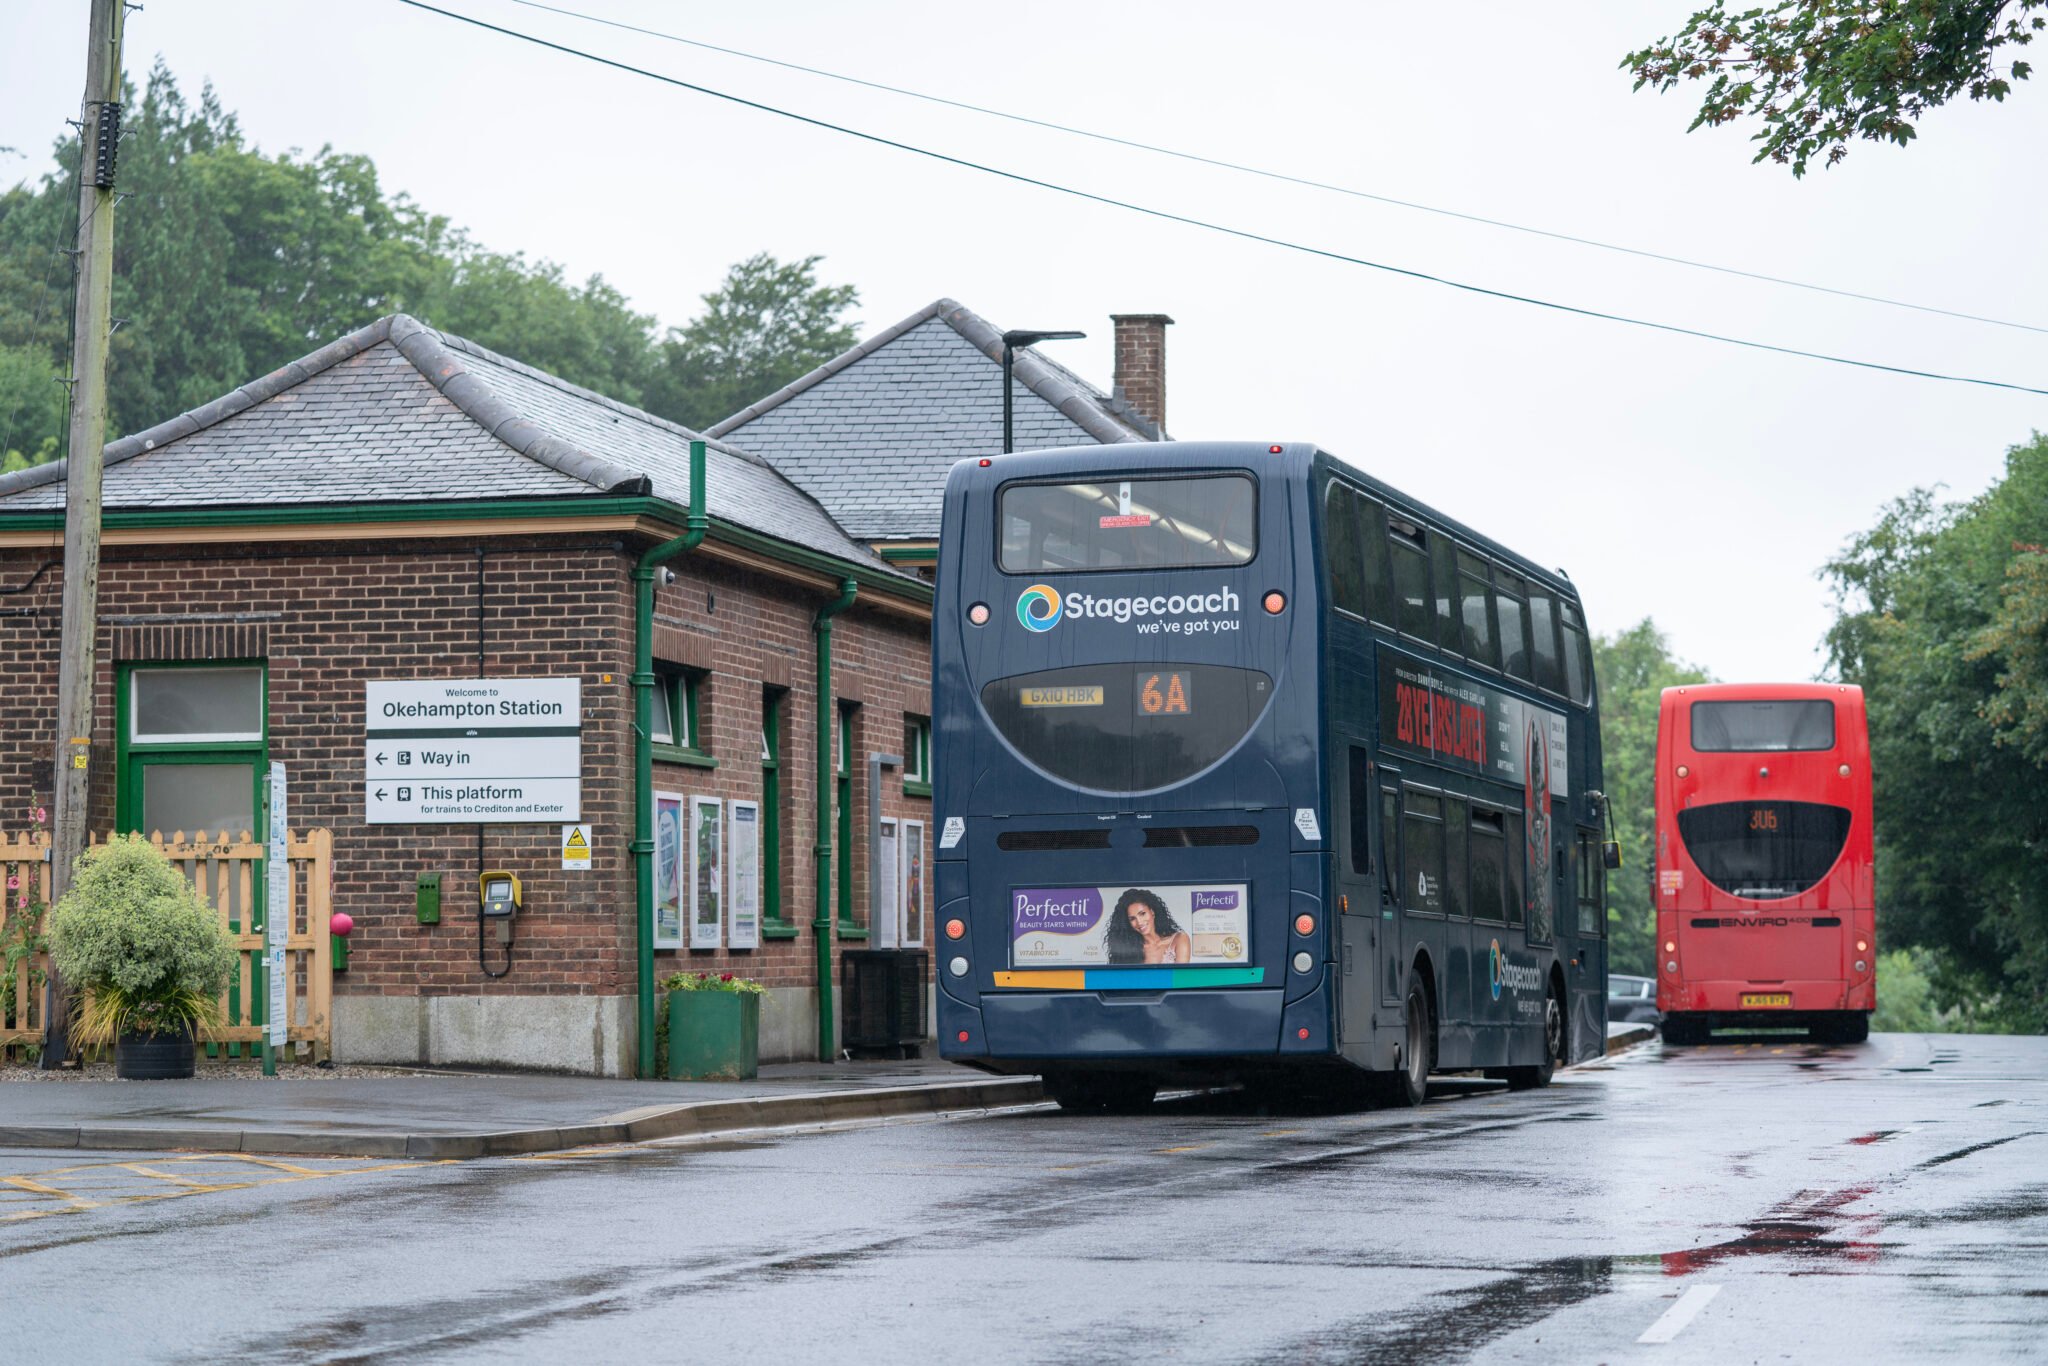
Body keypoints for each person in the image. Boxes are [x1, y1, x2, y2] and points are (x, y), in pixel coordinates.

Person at [1104, 889, 1193, 965]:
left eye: (1142, 914)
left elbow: (1181, 979)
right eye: (1132, 919)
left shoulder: (1179, 939)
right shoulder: (1131, 951)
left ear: (1152, 912)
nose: (1139, 922)